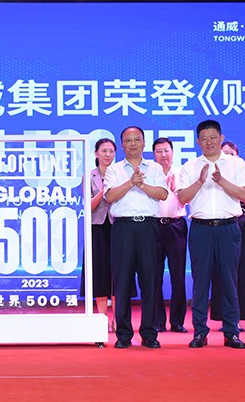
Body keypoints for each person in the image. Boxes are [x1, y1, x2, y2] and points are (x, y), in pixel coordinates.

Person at [177, 120, 245, 349]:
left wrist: (221, 181)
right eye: (204, 138)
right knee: (200, 283)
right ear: (198, 141)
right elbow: (182, 198)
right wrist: (200, 181)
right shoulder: (190, 166)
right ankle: (200, 332)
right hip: (201, 229)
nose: (209, 142)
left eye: (213, 137)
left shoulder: (236, 164)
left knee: (229, 282)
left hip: (229, 227)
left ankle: (231, 332)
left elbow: (244, 194)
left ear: (221, 138)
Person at [103, 126, 167, 349]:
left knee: (150, 282)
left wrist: (142, 184)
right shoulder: (114, 170)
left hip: (149, 228)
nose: (133, 144)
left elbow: (163, 194)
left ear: (143, 143)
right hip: (123, 228)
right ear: (122, 145)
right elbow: (110, 196)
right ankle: (123, 334)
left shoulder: (155, 168)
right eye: (128, 140)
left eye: (136, 140)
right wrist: (131, 182)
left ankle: (149, 333)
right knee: (122, 282)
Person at [210, 140, 245, 331]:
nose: (228, 157)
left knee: (239, 271)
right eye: (225, 154)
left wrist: (230, 186)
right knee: (220, 272)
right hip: (218, 224)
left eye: (231, 154)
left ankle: (237, 317)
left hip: (239, 223)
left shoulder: (242, 176)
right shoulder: (211, 176)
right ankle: (223, 317)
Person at [152, 136, 188, 333]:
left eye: (166, 150)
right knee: (154, 276)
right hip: (154, 226)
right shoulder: (149, 173)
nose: (163, 154)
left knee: (178, 275)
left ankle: (177, 321)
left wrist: (176, 191)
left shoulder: (182, 172)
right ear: (154, 154)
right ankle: (157, 321)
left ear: (173, 152)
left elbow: (189, 199)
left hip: (176, 225)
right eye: (159, 151)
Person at [87, 137, 117, 332]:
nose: (107, 154)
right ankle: (102, 319)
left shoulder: (120, 173)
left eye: (111, 151)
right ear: (96, 153)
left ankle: (118, 319)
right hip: (97, 228)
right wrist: (104, 190)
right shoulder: (89, 176)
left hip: (117, 227)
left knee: (118, 274)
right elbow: (89, 205)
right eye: (104, 151)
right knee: (99, 273)